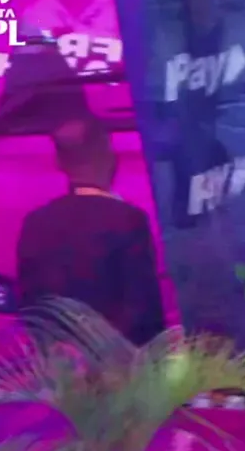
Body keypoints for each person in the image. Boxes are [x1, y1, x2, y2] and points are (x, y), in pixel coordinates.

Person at [16, 117, 166, 347]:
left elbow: (31, 309)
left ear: (59, 163)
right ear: (111, 156)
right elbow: (143, 310)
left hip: (58, 361)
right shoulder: (128, 220)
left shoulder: (35, 223)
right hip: (120, 362)